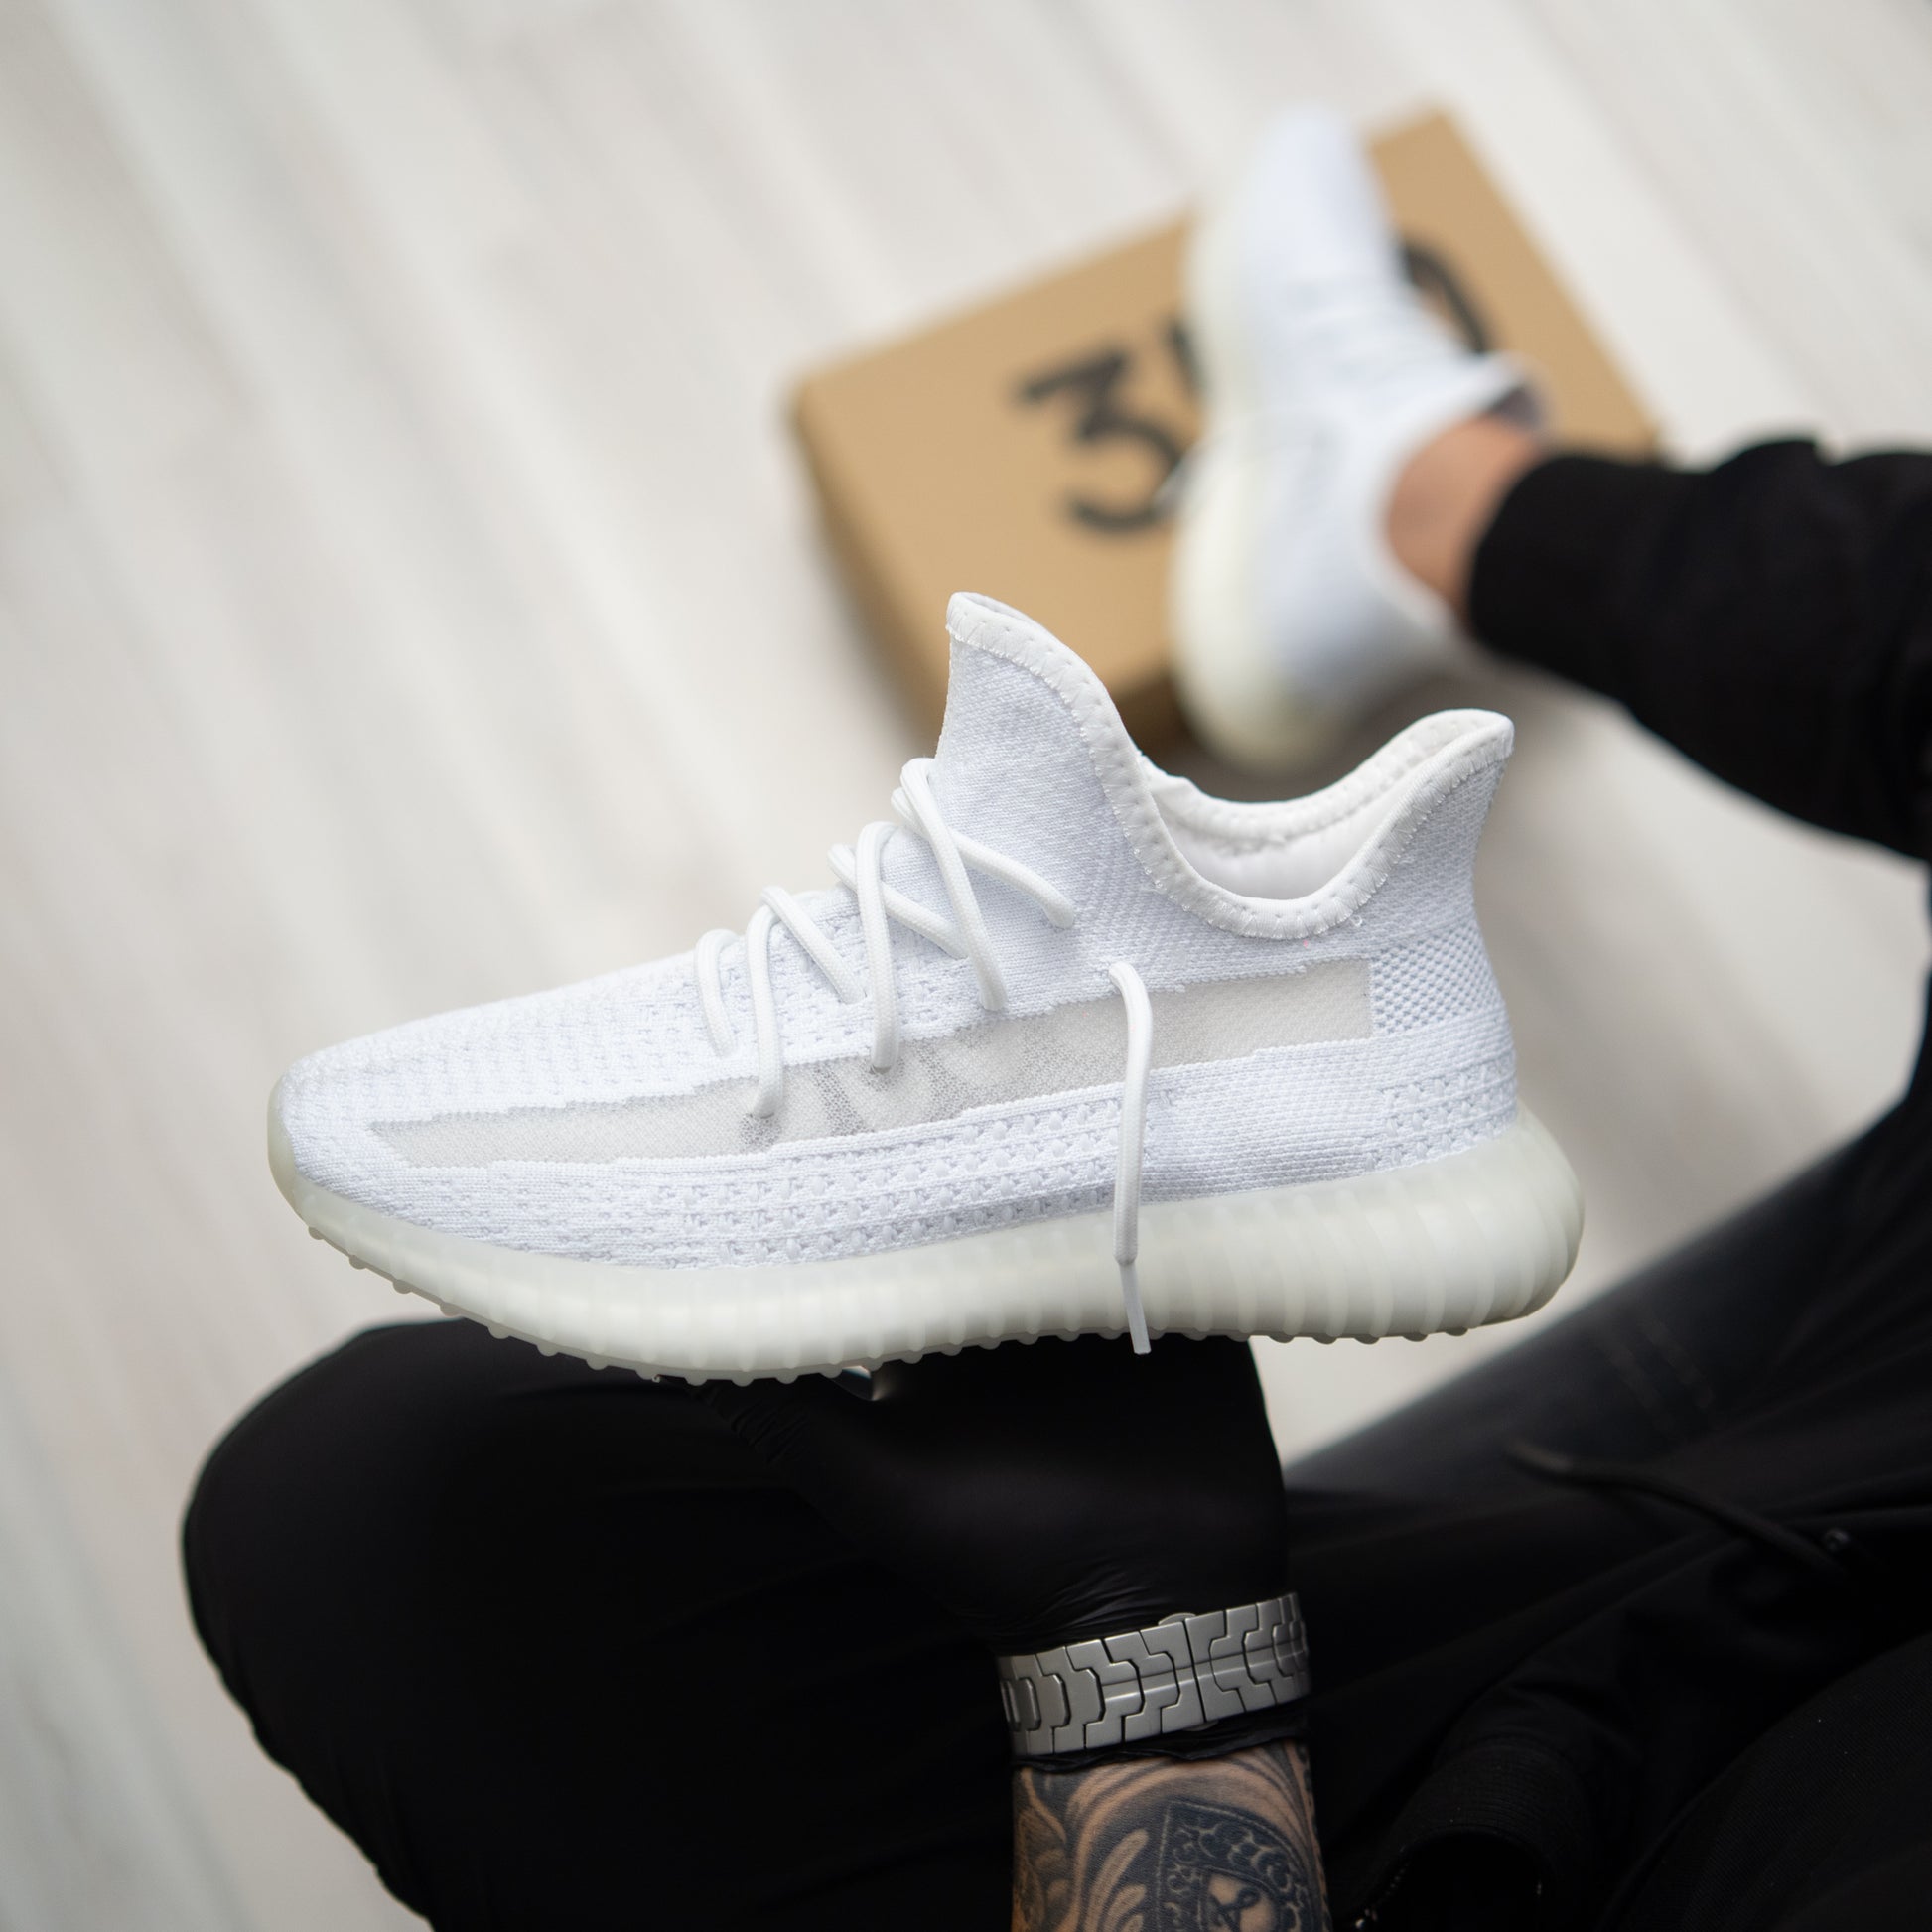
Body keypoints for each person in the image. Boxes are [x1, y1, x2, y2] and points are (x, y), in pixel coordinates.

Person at [184, 111, 1932, 1929]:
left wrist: (1158, 1664)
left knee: (384, 1515)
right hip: (1880, 1416)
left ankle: (1357, 714)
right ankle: (1417, 491)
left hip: (1533, 1838)